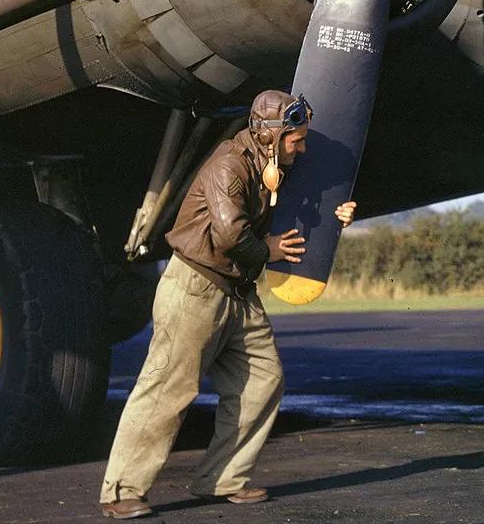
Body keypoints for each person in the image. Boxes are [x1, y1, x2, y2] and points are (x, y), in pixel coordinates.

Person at [98, 91, 355, 519]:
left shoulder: (270, 166)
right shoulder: (227, 166)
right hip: (195, 287)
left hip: (237, 290)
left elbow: (296, 210)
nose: (303, 148)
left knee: (262, 380)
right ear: (271, 137)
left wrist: (335, 215)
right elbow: (230, 235)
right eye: (296, 140)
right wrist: (269, 249)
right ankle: (121, 490)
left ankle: (222, 479)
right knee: (168, 389)